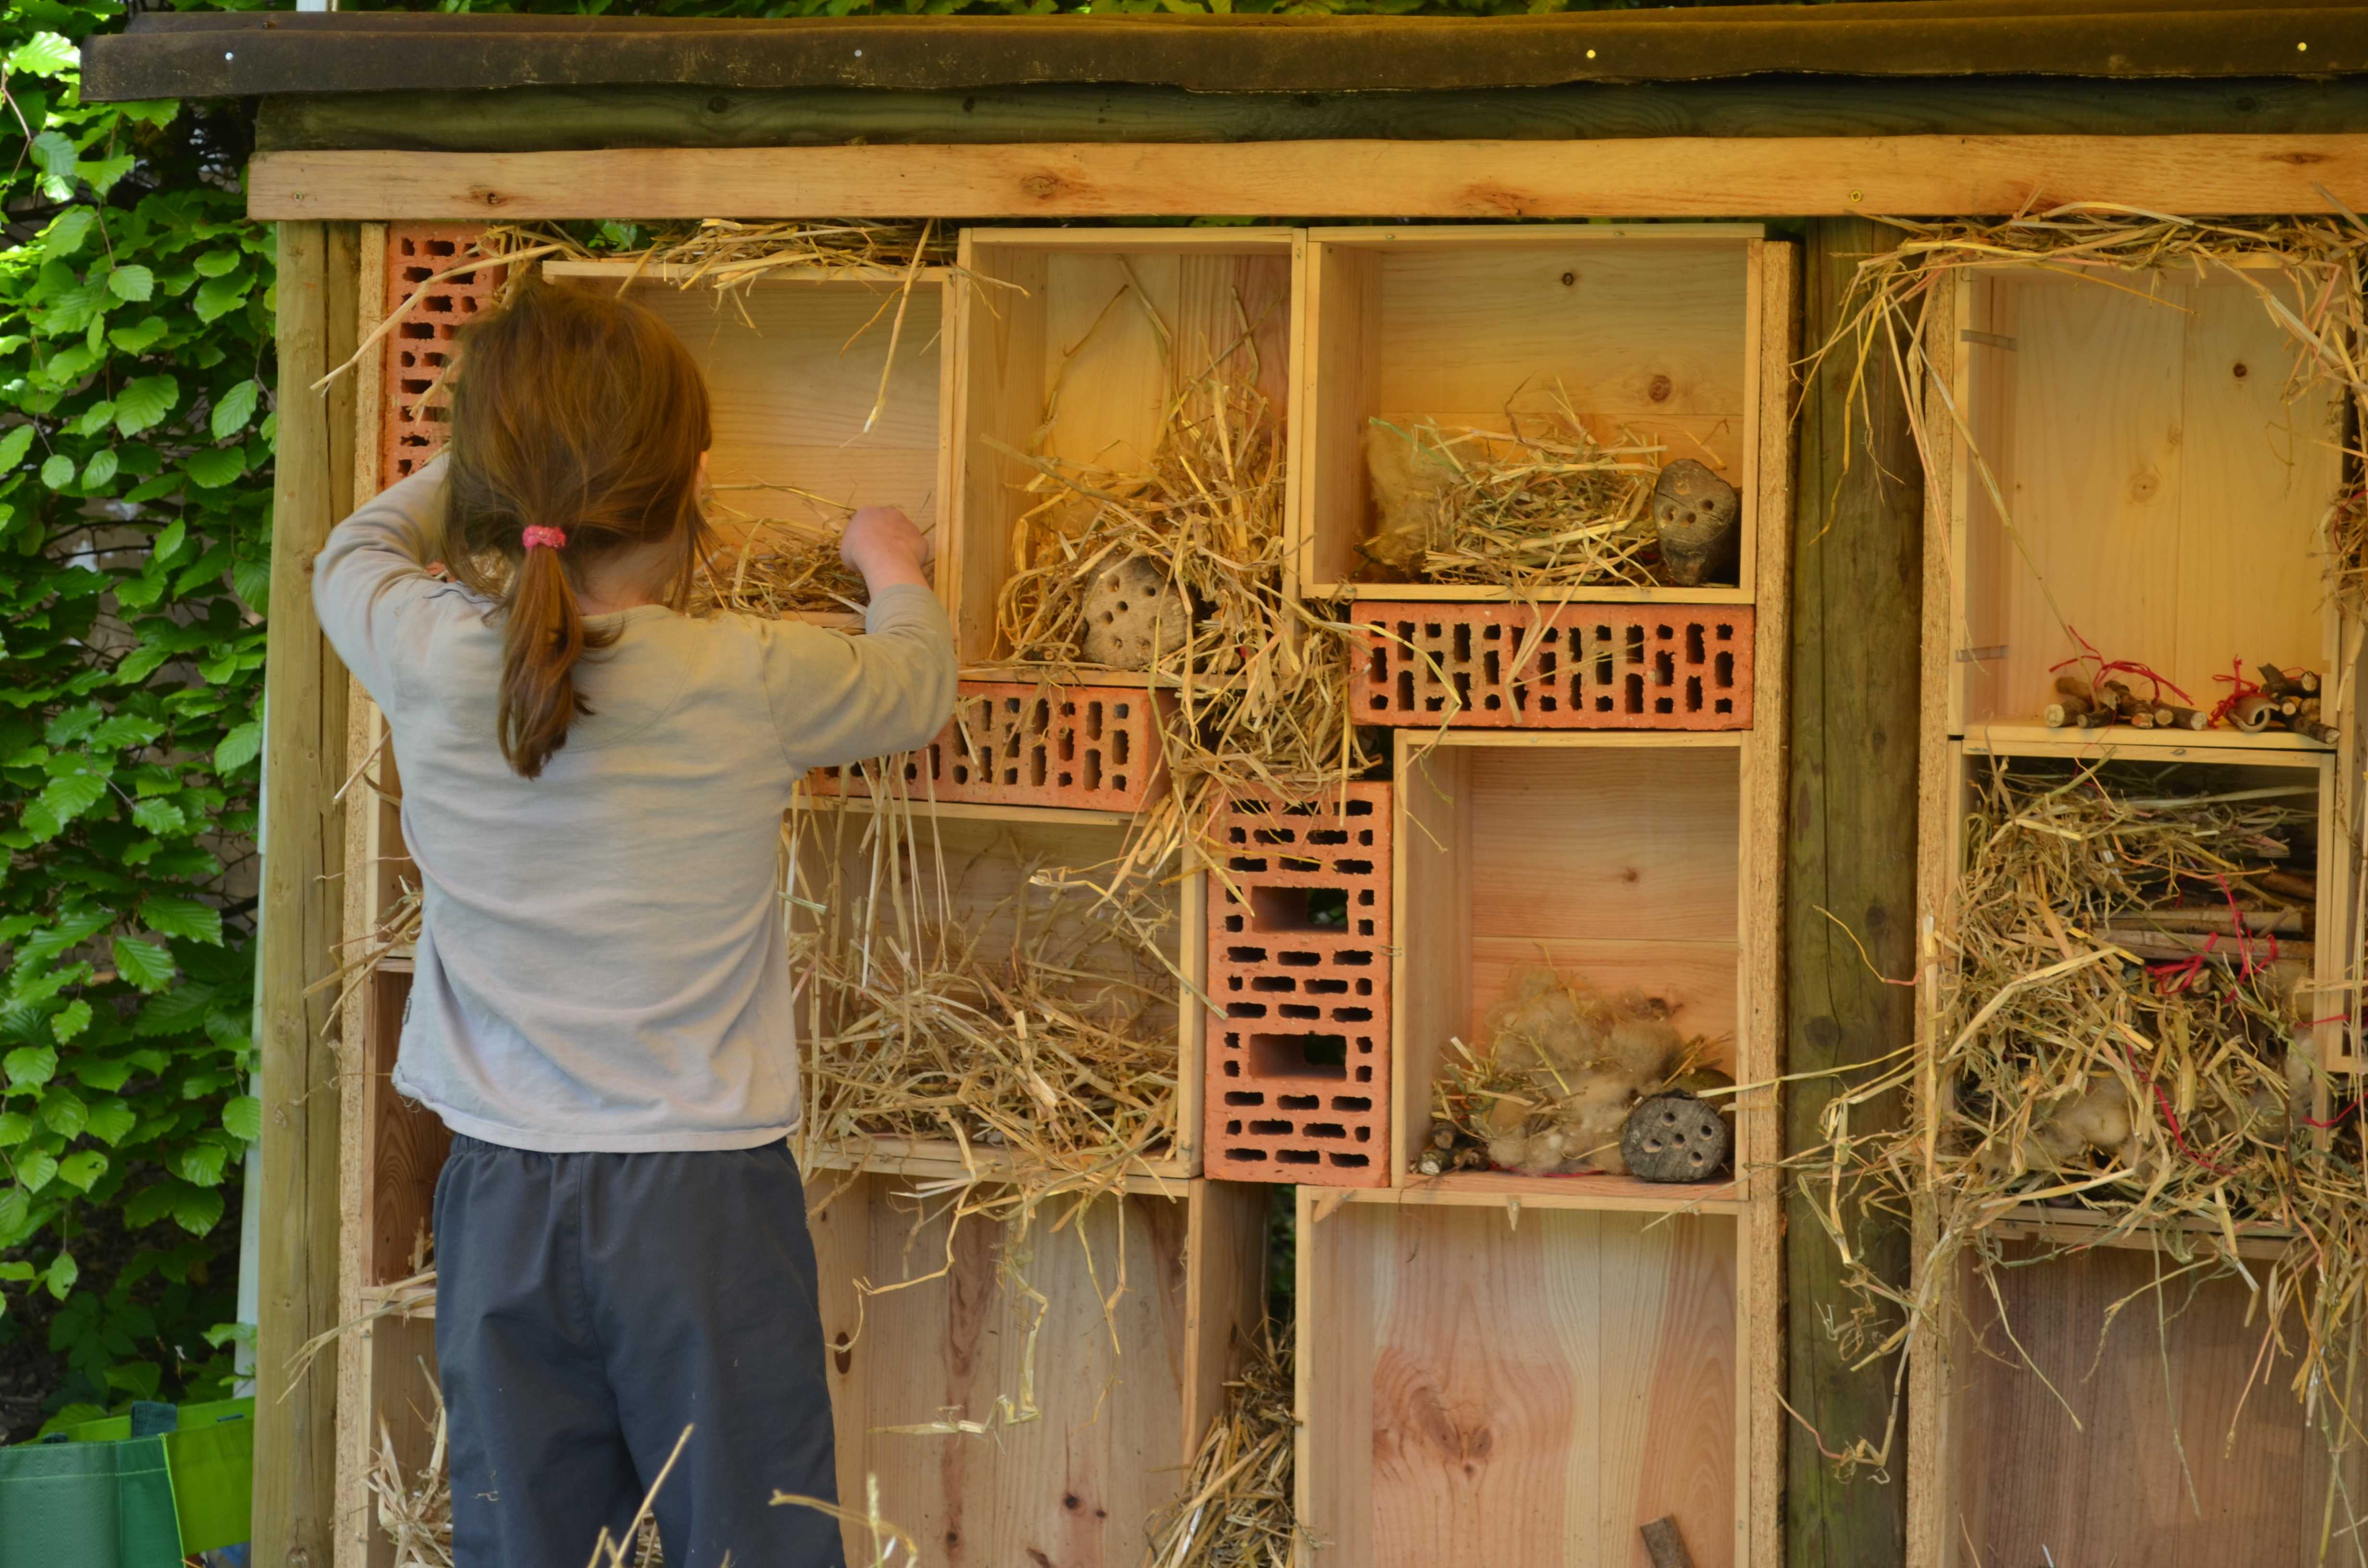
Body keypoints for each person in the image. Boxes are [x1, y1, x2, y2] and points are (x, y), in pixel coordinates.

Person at [312, 279, 953, 1568]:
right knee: (755, 1541)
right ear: (694, 484)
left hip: (499, 1192)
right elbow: (915, 684)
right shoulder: (749, 671)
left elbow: (353, 552)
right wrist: (891, 563)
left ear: (487, 486)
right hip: (702, 1200)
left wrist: (490, 463)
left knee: (527, 1543)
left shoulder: (426, 652)